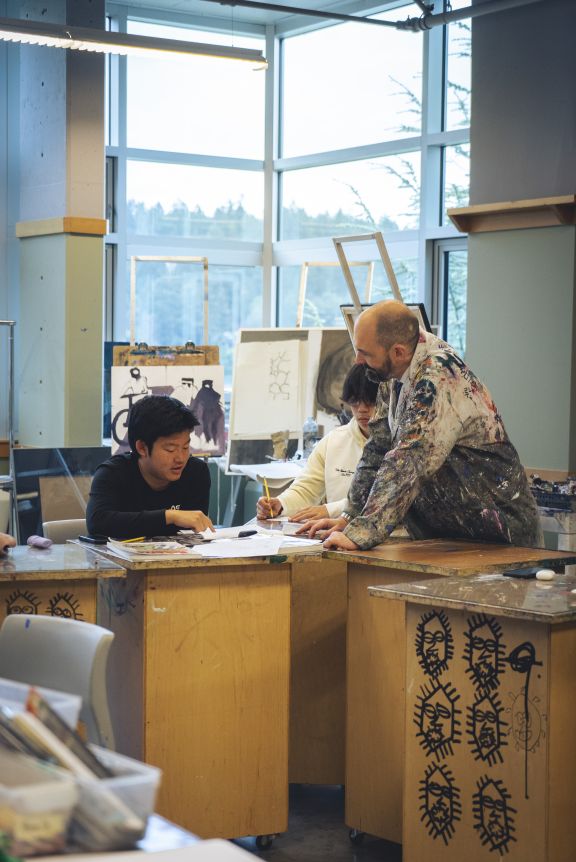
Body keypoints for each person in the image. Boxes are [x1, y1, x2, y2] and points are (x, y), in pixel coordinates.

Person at [311, 300, 541, 551]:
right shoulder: (392, 372)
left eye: (365, 353)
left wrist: (362, 533)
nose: (358, 361)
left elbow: (409, 461)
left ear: (398, 352)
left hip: (499, 537)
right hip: (452, 537)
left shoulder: (438, 377)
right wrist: (351, 516)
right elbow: (378, 447)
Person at [256, 365, 378, 522]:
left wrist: (329, 510)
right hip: (337, 533)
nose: (361, 409)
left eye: (370, 401)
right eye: (355, 401)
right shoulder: (333, 441)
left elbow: (382, 498)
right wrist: (280, 504)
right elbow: (306, 490)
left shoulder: (399, 444)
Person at [87, 395, 213, 540]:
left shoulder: (196, 473)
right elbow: (97, 523)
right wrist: (169, 516)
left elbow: (195, 531)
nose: (180, 458)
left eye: (185, 447)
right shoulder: (113, 473)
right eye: (170, 449)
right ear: (142, 447)